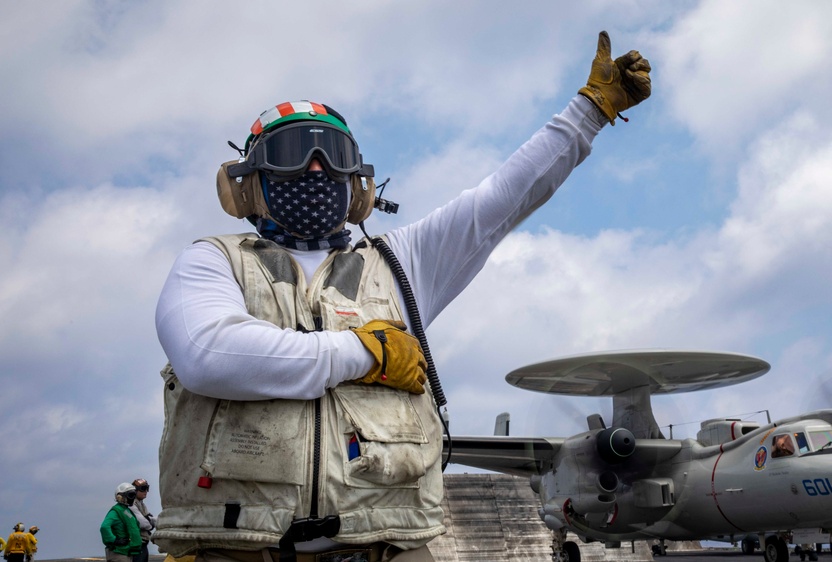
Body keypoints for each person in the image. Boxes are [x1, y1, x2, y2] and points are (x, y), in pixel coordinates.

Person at [153, 30, 651, 562]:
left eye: (333, 153)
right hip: (239, 549)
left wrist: (590, 111)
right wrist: (368, 352)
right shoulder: (212, 261)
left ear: (359, 183)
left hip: (386, 547)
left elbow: (505, 196)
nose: (316, 168)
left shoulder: (400, 262)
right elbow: (209, 356)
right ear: (247, 183)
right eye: (295, 152)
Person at [101, 483, 142, 562]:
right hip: (118, 553)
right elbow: (104, 527)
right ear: (120, 496)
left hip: (126, 552)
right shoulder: (116, 512)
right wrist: (114, 540)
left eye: (133, 495)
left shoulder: (126, 511)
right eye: (130, 495)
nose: (132, 498)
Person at [129, 479, 157, 562]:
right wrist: (151, 524)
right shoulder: (132, 504)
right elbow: (143, 523)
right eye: (143, 488)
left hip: (143, 543)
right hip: (137, 544)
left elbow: (150, 520)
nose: (146, 491)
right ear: (135, 490)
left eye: (147, 488)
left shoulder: (141, 504)